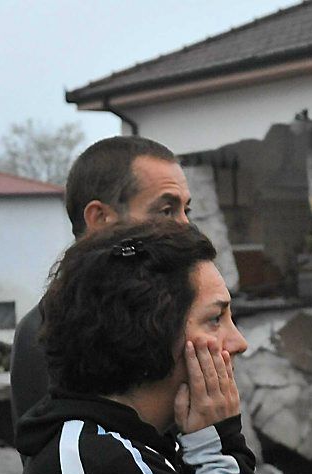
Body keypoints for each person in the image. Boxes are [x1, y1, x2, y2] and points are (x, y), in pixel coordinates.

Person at [3, 220, 278, 474]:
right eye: (216, 319)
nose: (238, 342)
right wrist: (220, 444)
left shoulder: (109, 440)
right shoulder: (103, 463)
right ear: (151, 332)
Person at [10, 135, 193, 432]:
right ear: (100, 218)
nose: (185, 226)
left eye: (187, 210)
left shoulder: (164, 314)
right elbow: (57, 468)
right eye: (166, 211)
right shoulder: (46, 334)